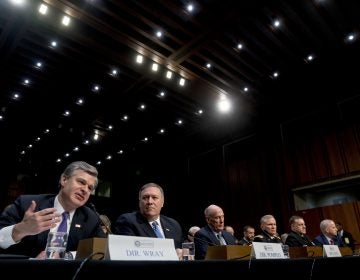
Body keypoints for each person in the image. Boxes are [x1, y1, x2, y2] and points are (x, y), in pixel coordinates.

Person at [0, 161, 106, 258]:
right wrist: (20, 229)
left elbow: (102, 250)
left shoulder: (91, 218)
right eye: (81, 182)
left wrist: (66, 256)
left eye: (90, 188)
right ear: (64, 180)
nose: (85, 190)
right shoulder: (27, 204)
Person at [113, 182, 183, 249]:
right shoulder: (127, 221)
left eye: (154, 197)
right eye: (145, 198)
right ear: (139, 202)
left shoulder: (174, 225)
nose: (150, 202)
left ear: (162, 202)